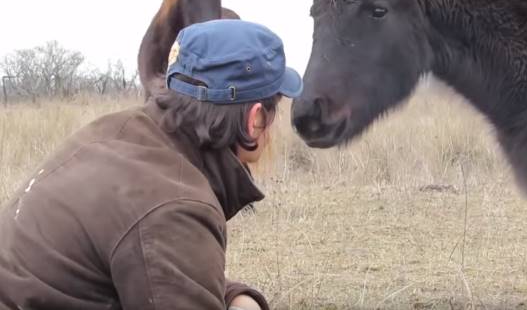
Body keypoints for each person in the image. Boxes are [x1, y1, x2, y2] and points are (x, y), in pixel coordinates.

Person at [0, 19, 303, 310]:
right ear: (256, 120)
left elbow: (148, 264)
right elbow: (159, 234)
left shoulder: (119, 132)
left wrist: (236, 296)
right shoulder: (175, 204)